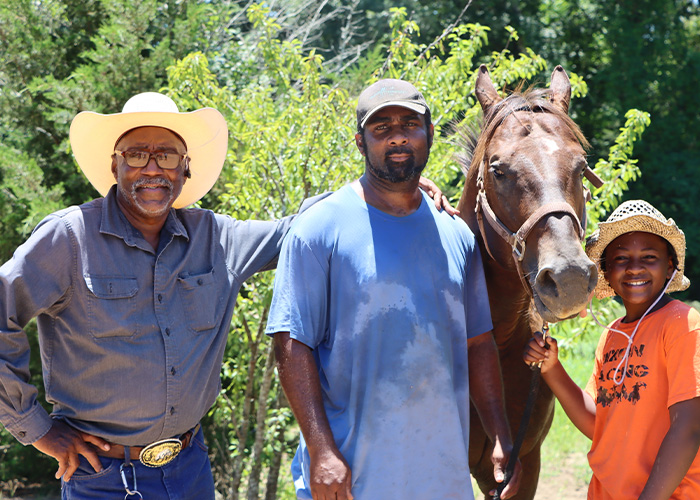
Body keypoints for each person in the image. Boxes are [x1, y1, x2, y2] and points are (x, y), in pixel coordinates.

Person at [0, 91, 453, 499]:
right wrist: (37, 430)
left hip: (190, 469)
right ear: (114, 165)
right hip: (101, 477)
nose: (153, 167)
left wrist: (397, 192)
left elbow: (295, 229)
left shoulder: (215, 238)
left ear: (185, 167)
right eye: (136, 154)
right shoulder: (69, 237)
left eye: (168, 155)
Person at [266, 79, 521, 500]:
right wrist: (321, 450)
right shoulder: (318, 229)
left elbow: (478, 342)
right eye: (381, 127)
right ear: (360, 142)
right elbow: (292, 343)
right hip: (350, 477)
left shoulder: (456, 235)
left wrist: (498, 432)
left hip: (441, 476)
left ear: (430, 133)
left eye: (410, 123)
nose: (399, 135)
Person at [524, 199, 700, 500]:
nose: (635, 268)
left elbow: (689, 428)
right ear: (605, 270)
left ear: (669, 264)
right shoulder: (612, 336)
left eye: (648, 256)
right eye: (621, 259)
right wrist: (552, 370)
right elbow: (599, 425)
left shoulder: (682, 324)